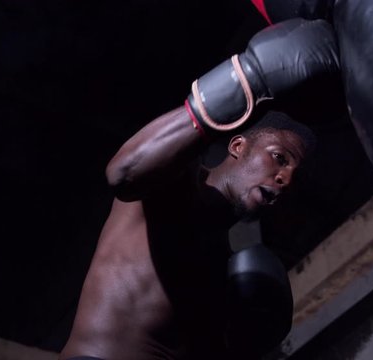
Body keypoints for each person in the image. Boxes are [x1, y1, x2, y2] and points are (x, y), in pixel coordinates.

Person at [59, 18, 339, 360]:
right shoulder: (174, 182)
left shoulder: (225, 268)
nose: (285, 179)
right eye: (279, 158)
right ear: (238, 146)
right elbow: (124, 172)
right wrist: (249, 78)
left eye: (293, 176)